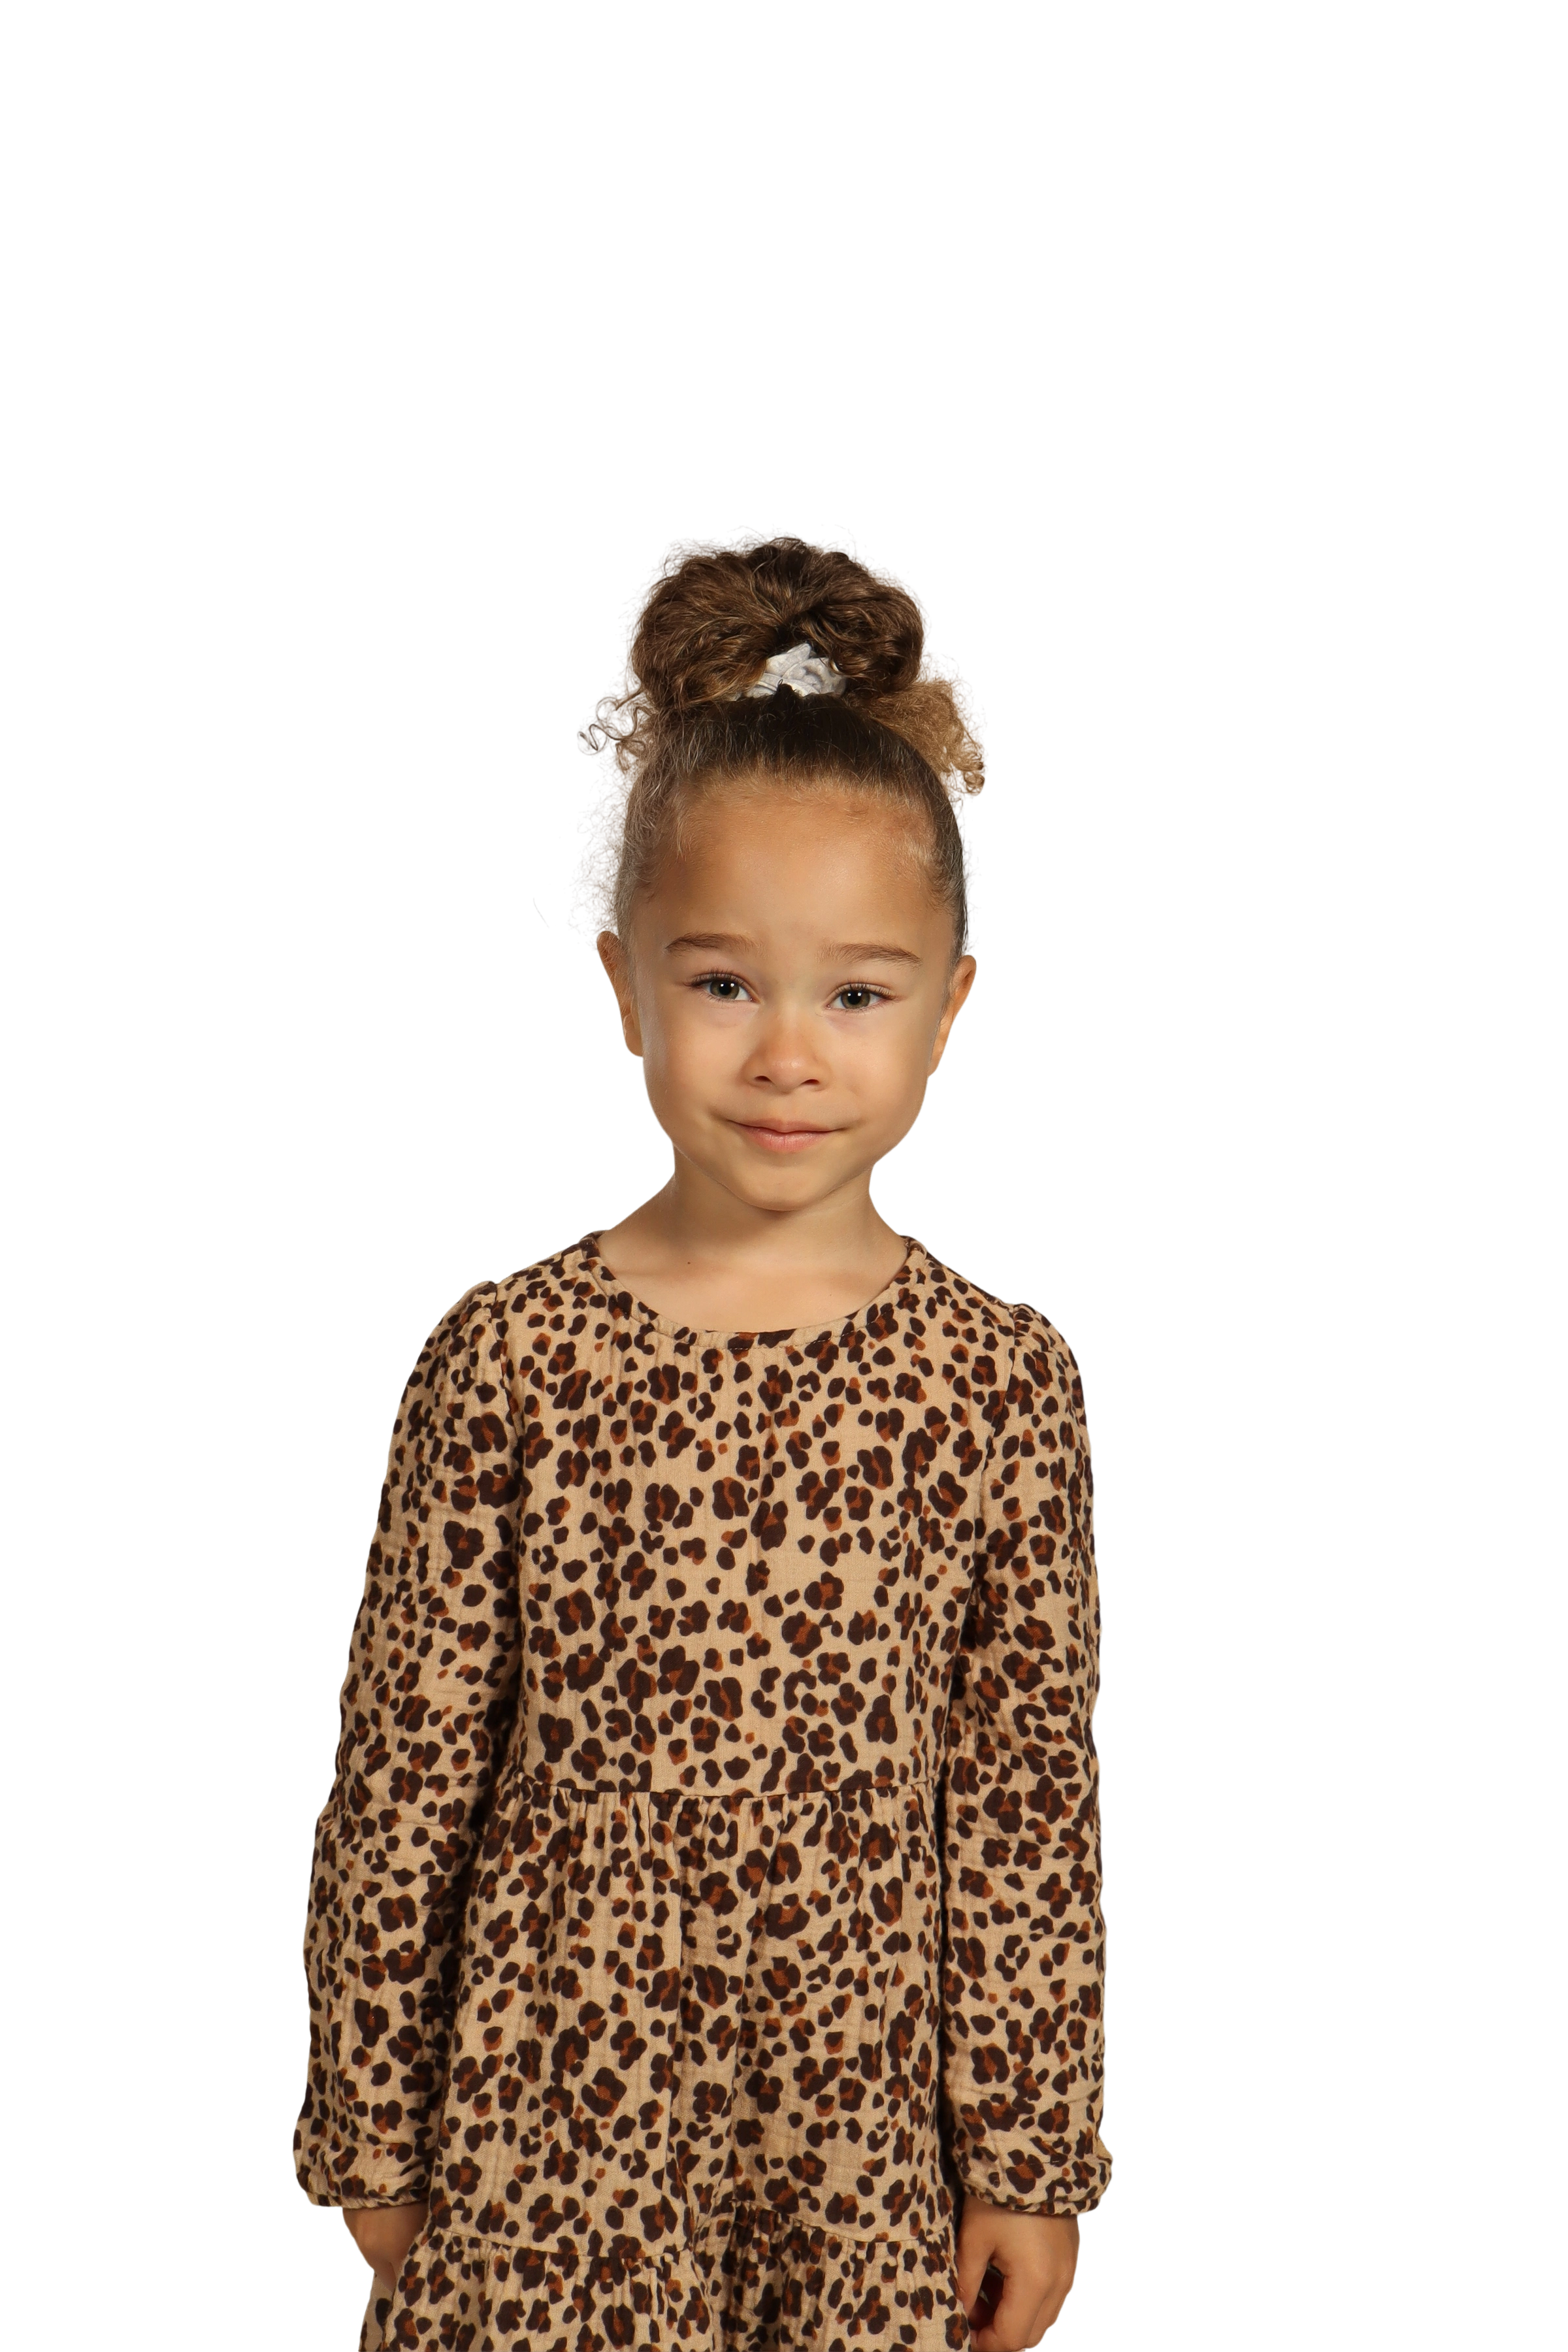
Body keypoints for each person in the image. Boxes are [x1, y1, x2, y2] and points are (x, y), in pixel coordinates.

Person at [289, 524, 1118, 2351]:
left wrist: (1033, 2161)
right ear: (621, 979)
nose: (787, 1053)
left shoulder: (1002, 1381)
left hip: (862, 2154)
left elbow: (1027, 1808)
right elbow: (404, 1783)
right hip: (541, 2137)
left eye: (858, 991)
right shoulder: (503, 1357)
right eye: (726, 981)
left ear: (953, 1003)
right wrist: (369, 2123)